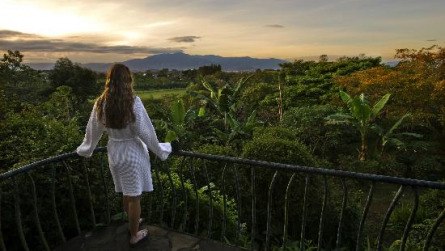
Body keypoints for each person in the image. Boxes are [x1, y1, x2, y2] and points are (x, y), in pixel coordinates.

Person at [76, 63, 171, 247]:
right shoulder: (133, 102)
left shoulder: (101, 103)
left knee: (127, 193)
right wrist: (162, 150)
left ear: (109, 80)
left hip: (115, 154)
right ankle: (135, 234)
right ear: (128, 80)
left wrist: (84, 149)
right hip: (133, 153)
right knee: (134, 197)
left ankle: (132, 222)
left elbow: (92, 132)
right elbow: (146, 133)